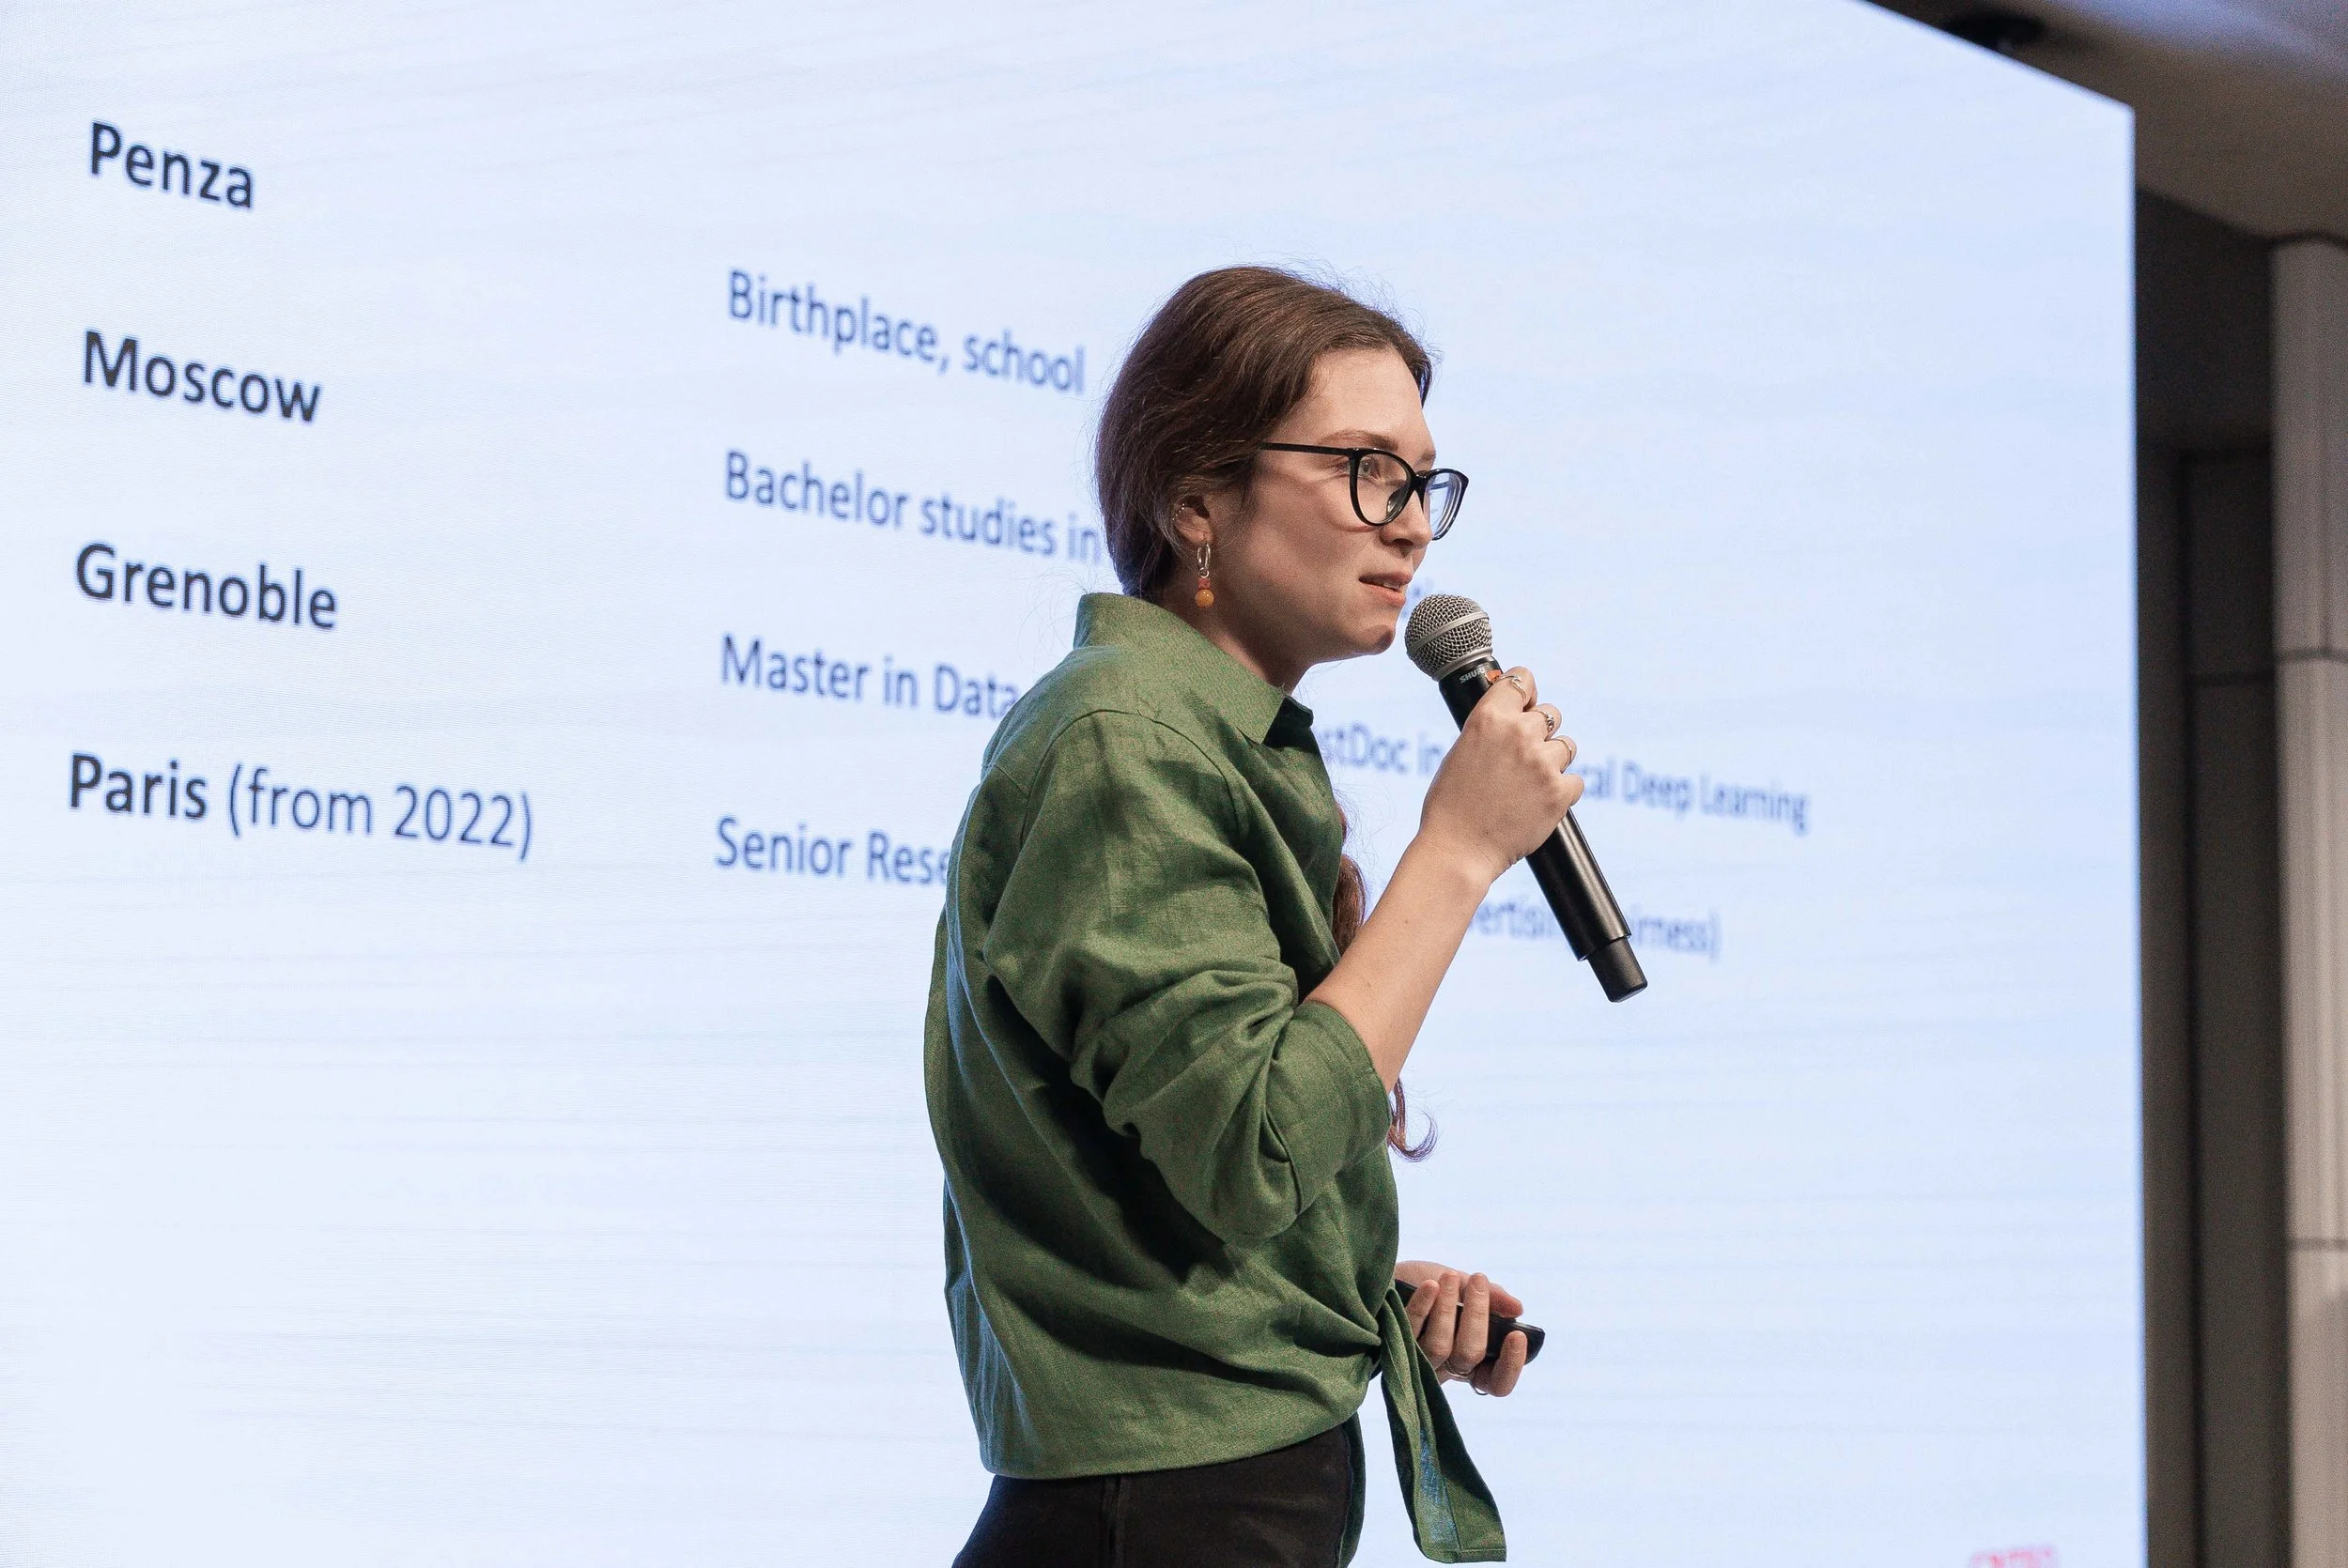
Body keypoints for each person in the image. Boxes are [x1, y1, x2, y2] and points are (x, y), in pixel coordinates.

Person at [925, 266, 1584, 1566]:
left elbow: (1186, 1171)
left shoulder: (1211, 743)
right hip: (1159, 1512)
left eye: (1424, 483)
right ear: (1196, 501)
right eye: (1366, 470)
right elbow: (1252, 1148)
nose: (1412, 526)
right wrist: (1458, 851)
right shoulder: (1121, 740)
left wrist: (1341, 1289)